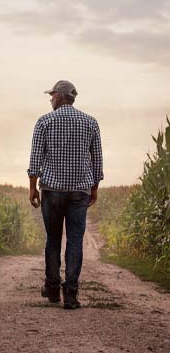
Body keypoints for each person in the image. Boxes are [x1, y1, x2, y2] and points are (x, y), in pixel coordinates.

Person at [27, 80, 103, 309]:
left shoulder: (44, 121)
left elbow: (36, 158)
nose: (50, 99)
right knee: (75, 241)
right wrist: (94, 186)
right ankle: (70, 294)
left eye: (52, 96)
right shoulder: (90, 122)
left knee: (53, 240)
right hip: (79, 191)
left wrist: (32, 186)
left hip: (51, 190)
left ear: (60, 97)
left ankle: (52, 288)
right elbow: (96, 159)